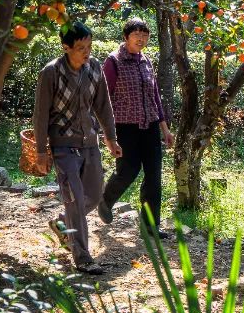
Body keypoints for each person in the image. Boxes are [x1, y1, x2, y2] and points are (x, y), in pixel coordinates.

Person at [34, 21, 122, 275]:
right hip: (63, 146)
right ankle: (82, 257)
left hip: (90, 143)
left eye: (89, 46)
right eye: (81, 48)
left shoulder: (94, 67)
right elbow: (40, 115)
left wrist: (111, 138)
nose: (87, 52)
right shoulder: (51, 72)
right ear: (66, 47)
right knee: (74, 201)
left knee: (94, 196)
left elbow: (103, 105)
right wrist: (41, 151)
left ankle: (64, 224)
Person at [98, 17, 175, 239]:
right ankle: (106, 199)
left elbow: (155, 98)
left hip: (150, 126)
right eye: (136, 34)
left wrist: (165, 129)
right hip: (125, 127)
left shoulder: (146, 61)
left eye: (145, 35)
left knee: (154, 175)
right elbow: (105, 99)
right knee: (128, 170)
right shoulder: (113, 61)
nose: (141, 39)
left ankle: (150, 226)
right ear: (126, 37)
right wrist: (107, 133)